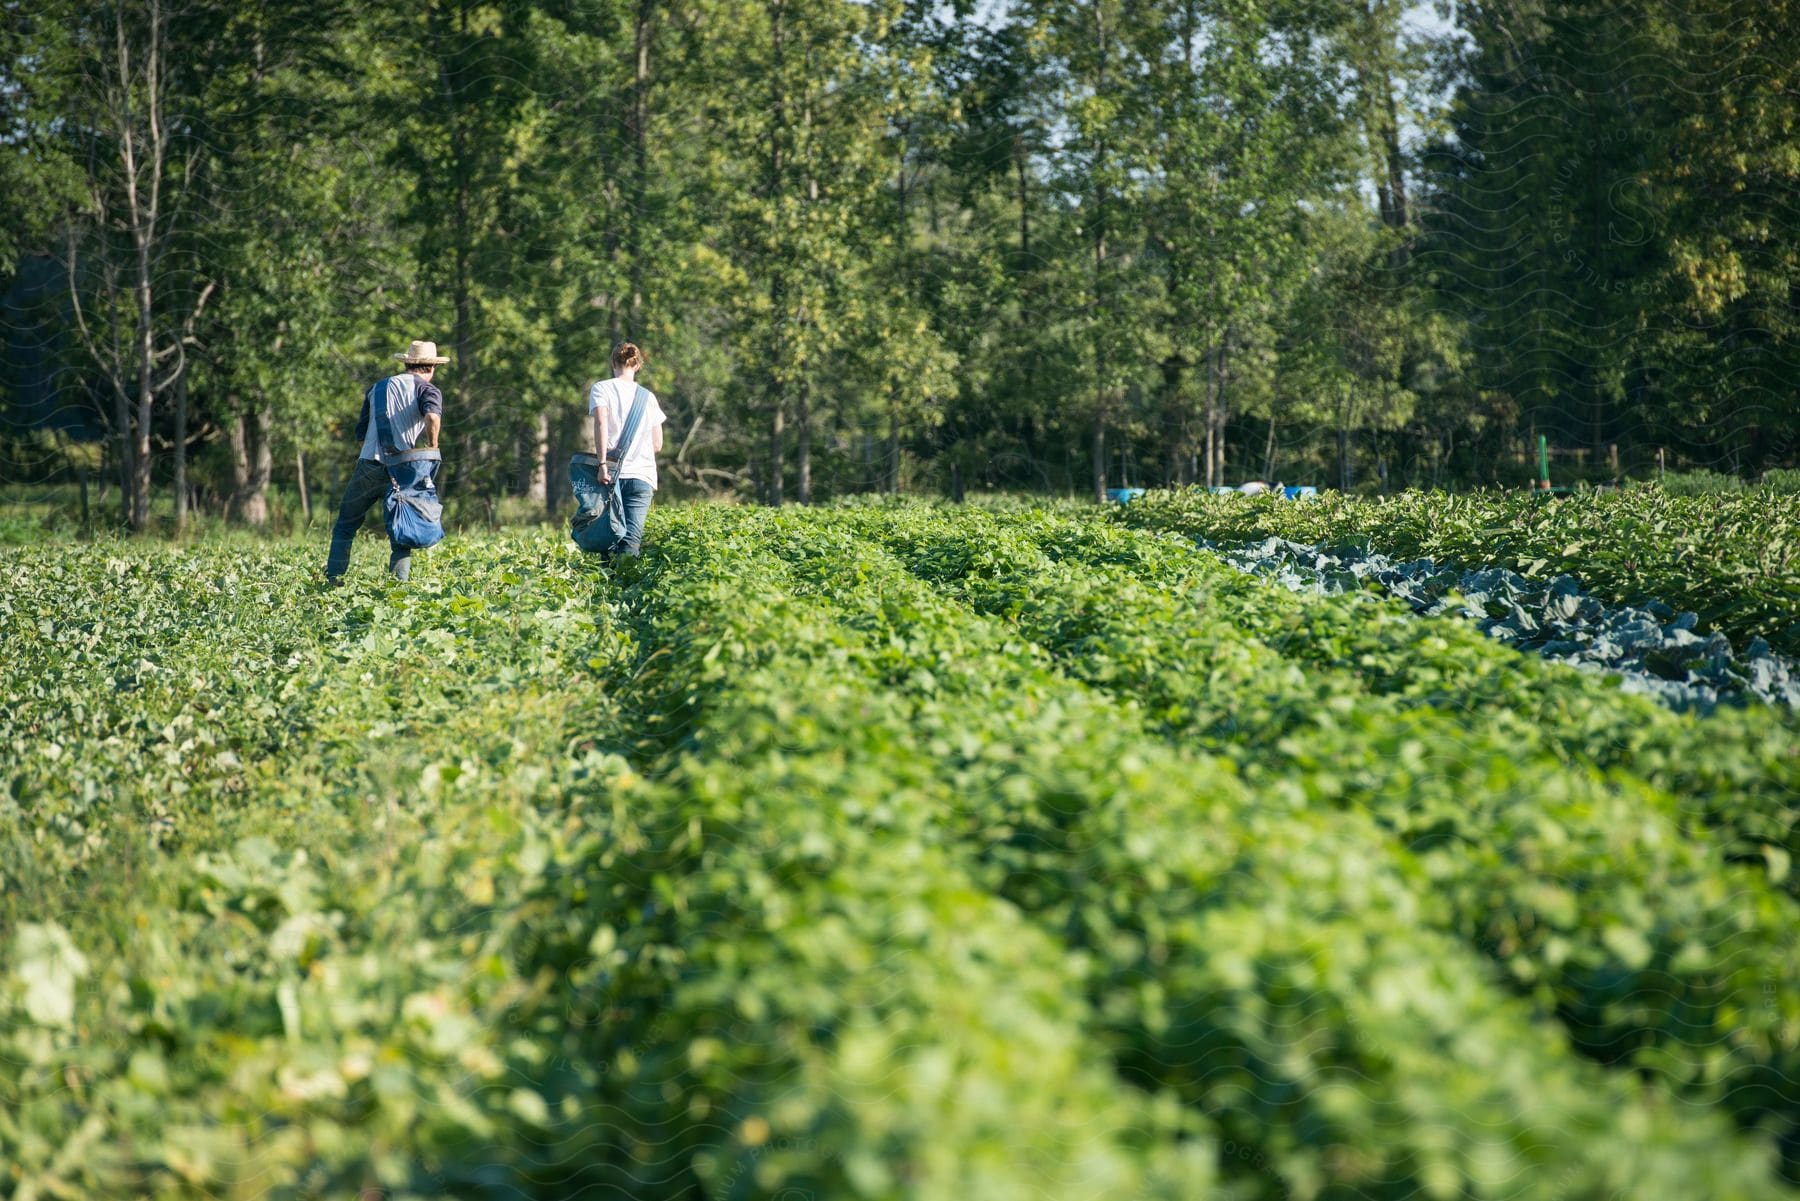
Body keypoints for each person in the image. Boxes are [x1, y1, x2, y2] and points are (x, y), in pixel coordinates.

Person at [324, 340, 447, 584]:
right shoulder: (427, 390)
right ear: (431, 367)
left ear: (407, 363)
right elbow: (432, 417)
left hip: (368, 464)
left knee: (345, 526)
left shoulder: (376, 389)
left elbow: (360, 436)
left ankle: (333, 581)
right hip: (402, 469)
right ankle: (395, 589)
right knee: (402, 532)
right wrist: (432, 446)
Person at [586, 342, 665, 557]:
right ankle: (627, 587)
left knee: (607, 537)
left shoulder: (601, 388)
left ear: (613, 363)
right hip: (642, 476)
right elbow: (657, 444)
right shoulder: (648, 397)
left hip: (610, 475)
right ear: (637, 365)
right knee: (631, 540)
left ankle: (605, 587)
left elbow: (601, 422)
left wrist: (602, 463)